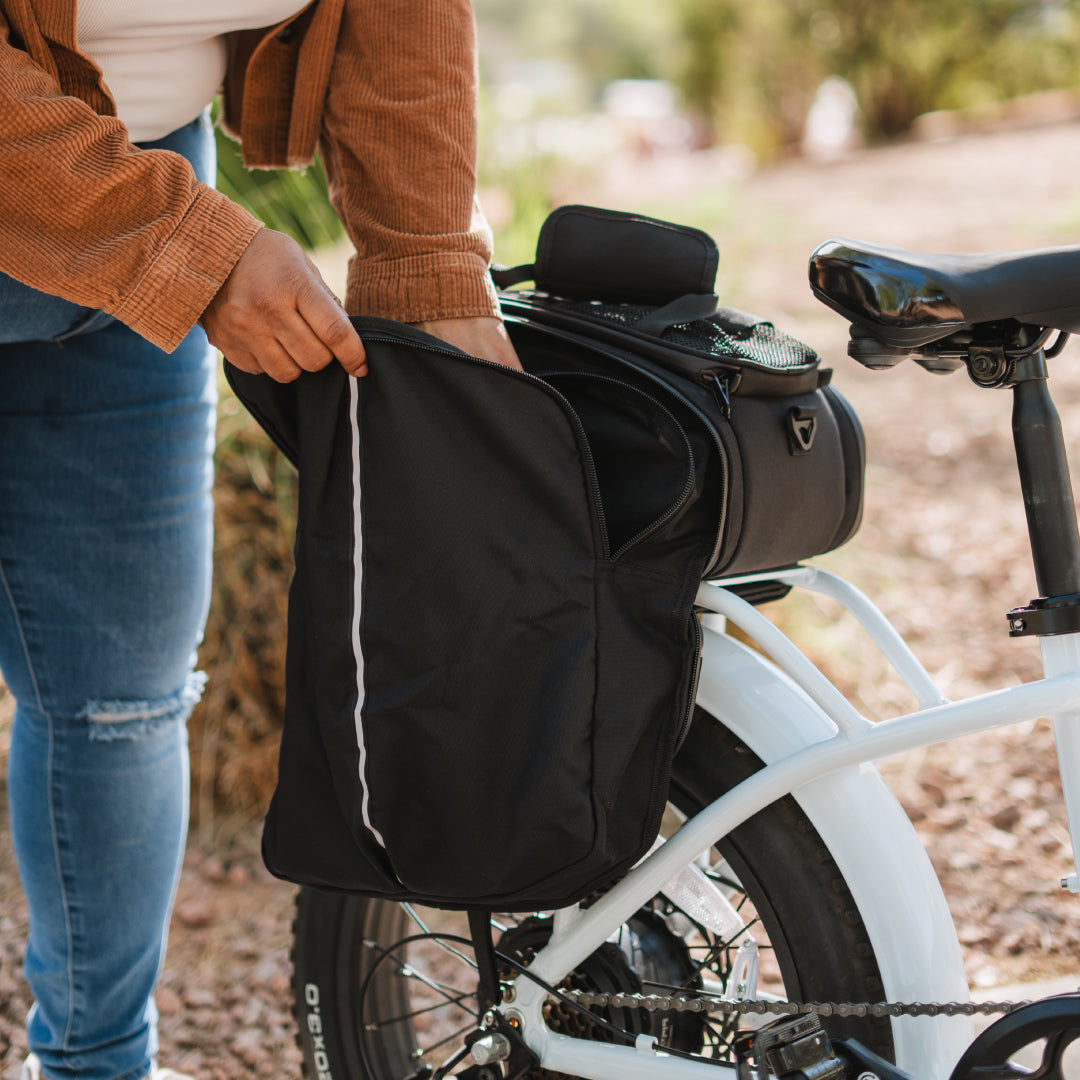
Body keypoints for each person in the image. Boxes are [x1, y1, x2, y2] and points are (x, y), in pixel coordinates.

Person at [0, 0, 520, 1077]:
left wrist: (424, 265)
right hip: (120, 207)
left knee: (120, 703)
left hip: (131, 193)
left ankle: (98, 1066)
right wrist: (188, 251)